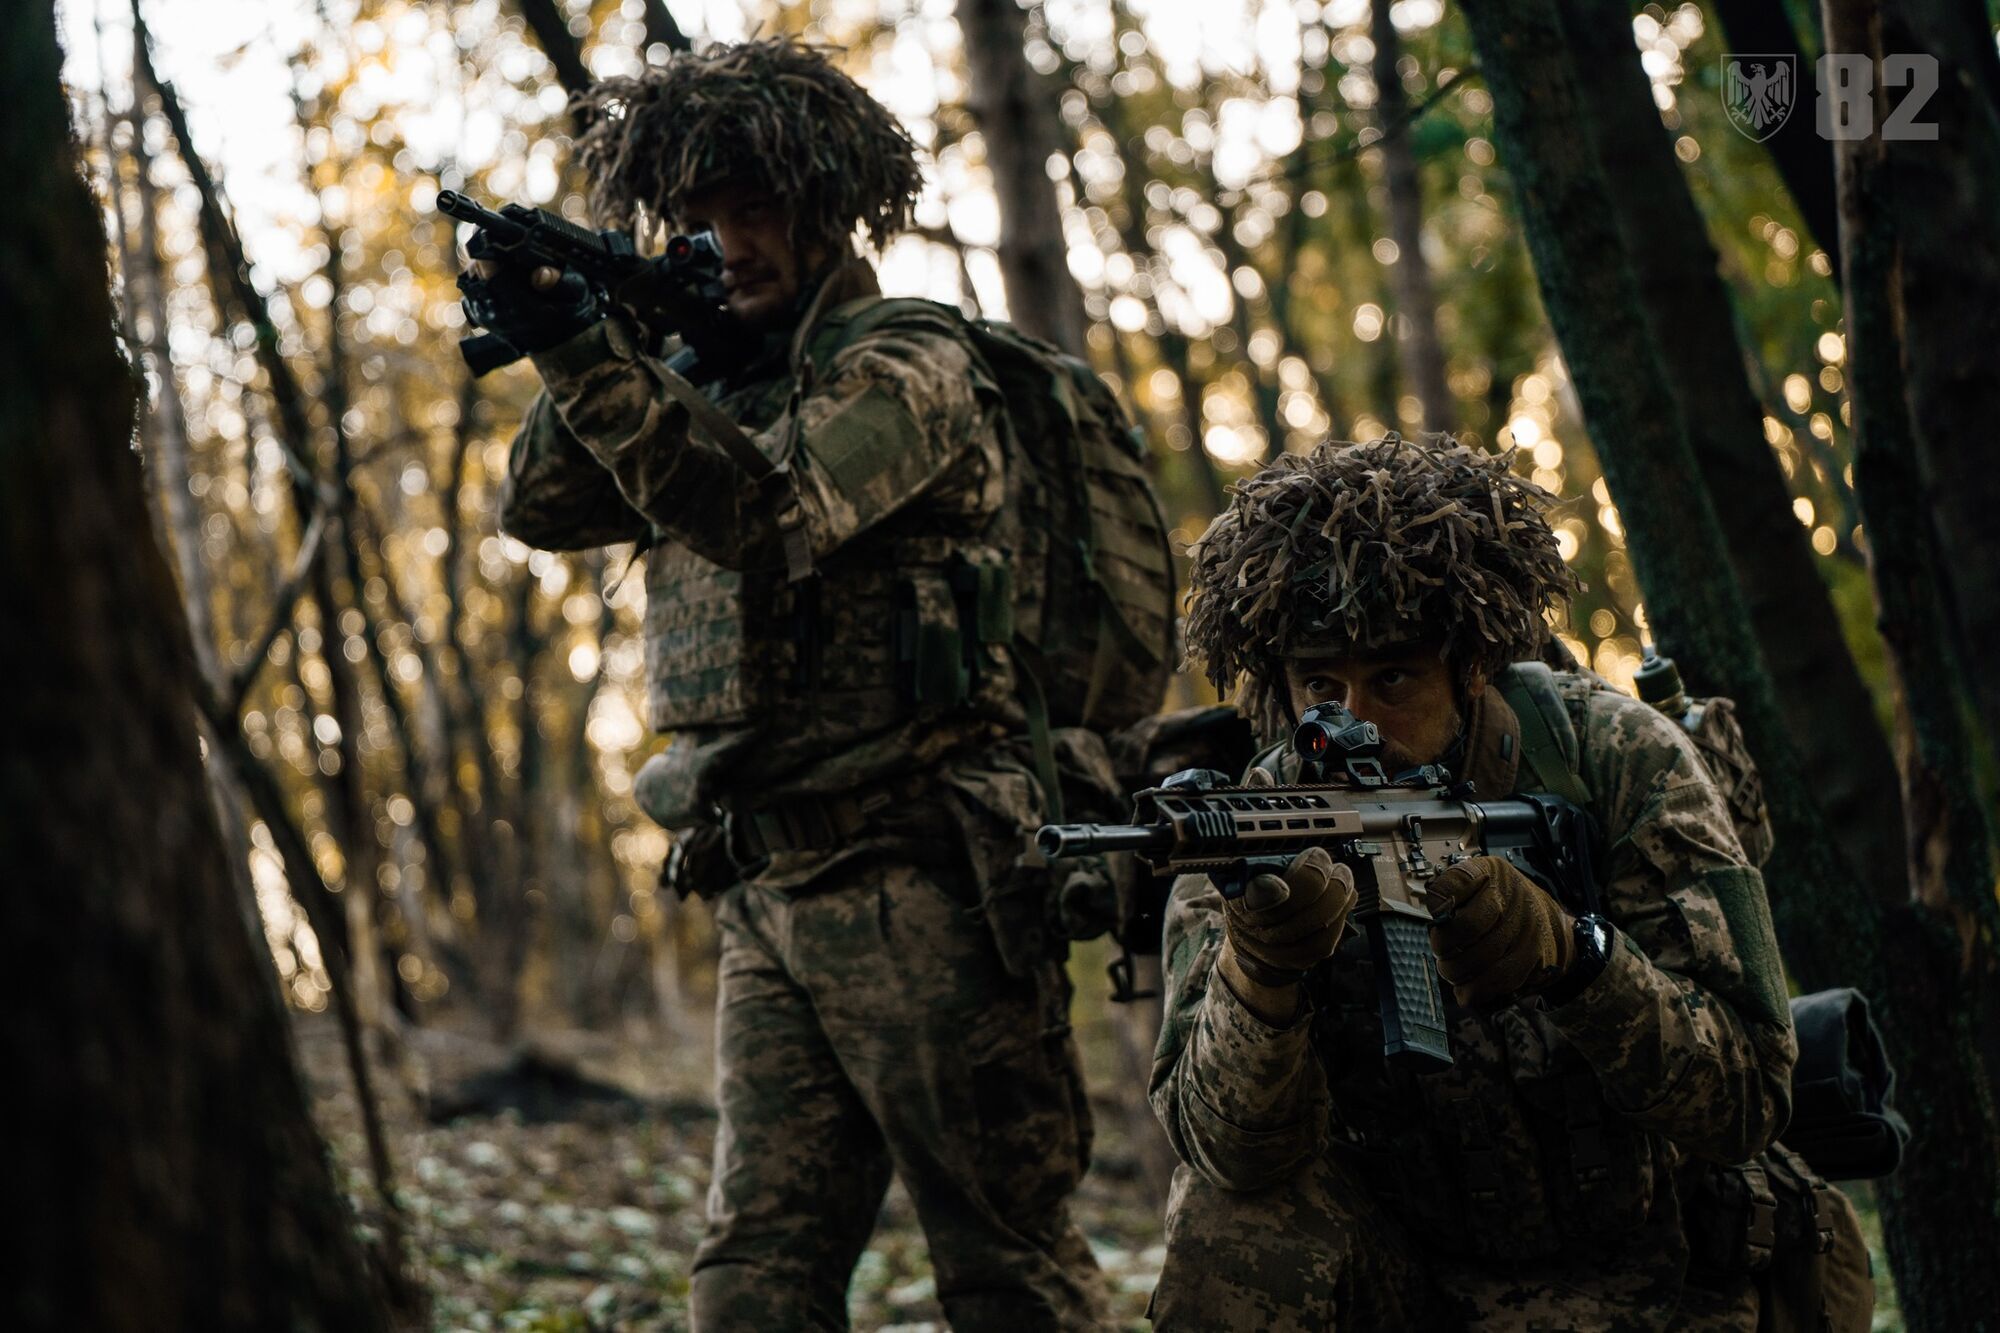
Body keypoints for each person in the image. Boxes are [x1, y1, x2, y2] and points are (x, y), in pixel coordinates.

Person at [466, 38, 1172, 1333]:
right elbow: (539, 506)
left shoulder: (906, 364)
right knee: (754, 1276)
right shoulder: (702, 371)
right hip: (763, 880)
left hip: (925, 874)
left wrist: (594, 357)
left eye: (754, 210)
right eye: (694, 218)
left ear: (826, 206)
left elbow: (770, 512)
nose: (725, 243)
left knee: (1004, 1266)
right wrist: (601, 325)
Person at [1148, 434, 1871, 1330]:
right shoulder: (1255, 831)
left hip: (1667, 1265)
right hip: (1422, 1279)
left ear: (1473, 661)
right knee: (1225, 1226)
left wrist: (1580, 963)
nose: (1353, 721)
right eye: (1320, 683)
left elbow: (1752, 1095)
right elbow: (1229, 1156)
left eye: (1395, 676)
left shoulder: (1617, 762)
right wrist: (1259, 979)